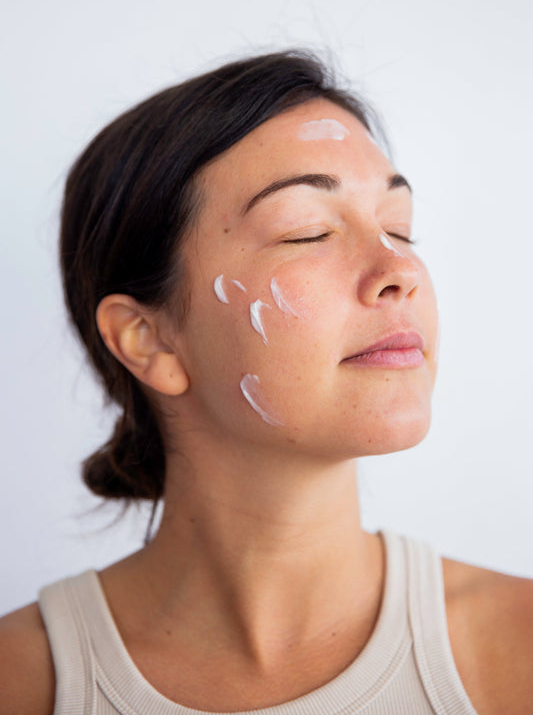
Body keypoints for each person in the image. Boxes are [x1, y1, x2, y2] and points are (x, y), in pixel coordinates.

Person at [0, 51, 531, 715]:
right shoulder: (20, 683)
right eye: (306, 231)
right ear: (151, 338)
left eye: (399, 228)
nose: (400, 268)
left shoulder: (518, 653)